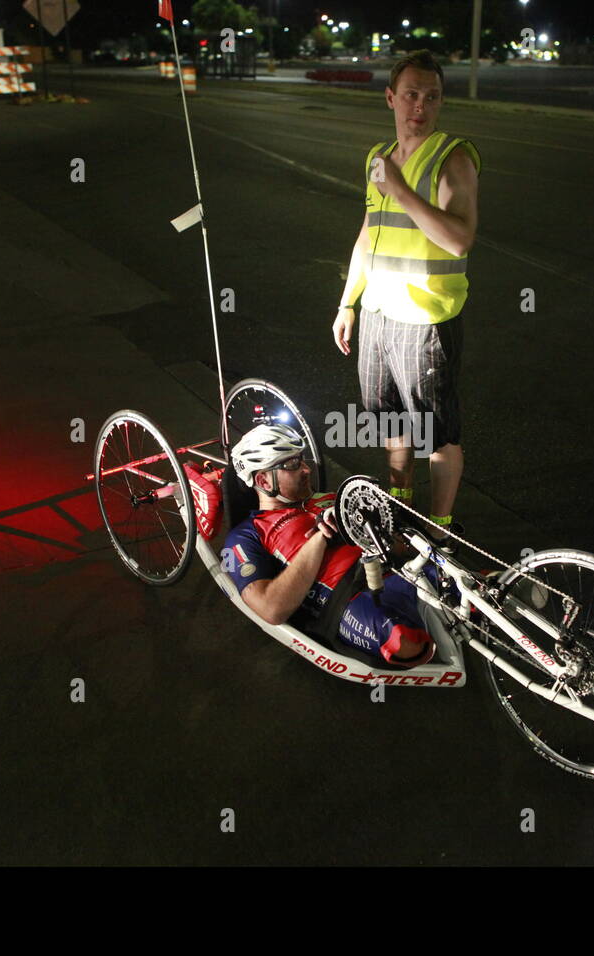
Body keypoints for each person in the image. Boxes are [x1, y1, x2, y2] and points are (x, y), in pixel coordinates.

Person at [331, 50, 480, 544]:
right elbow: (368, 233)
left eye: (432, 96)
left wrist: (401, 191)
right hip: (378, 315)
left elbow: (459, 238)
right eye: (412, 94)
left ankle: (439, 533)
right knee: (389, 422)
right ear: (391, 97)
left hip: (425, 320)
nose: (421, 105)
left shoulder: (452, 156)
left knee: (437, 435)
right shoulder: (378, 158)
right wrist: (348, 302)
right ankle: (401, 504)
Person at [223, 424, 437, 668]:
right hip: (353, 596)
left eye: (302, 459)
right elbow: (271, 609)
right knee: (407, 644)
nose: (306, 469)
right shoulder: (246, 535)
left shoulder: (332, 497)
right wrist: (320, 539)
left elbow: (400, 545)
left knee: (483, 591)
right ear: (263, 479)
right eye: (292, 464)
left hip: (404, 569)